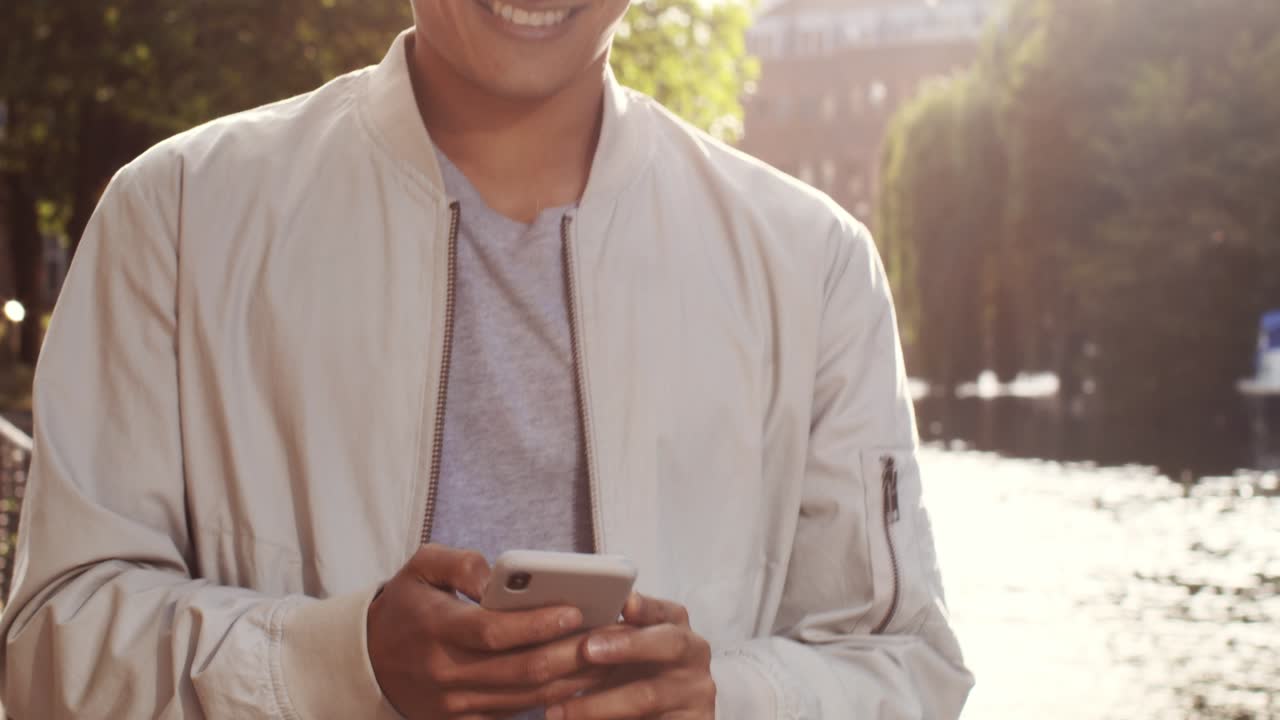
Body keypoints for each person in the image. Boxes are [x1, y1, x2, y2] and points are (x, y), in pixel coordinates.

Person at [0, 1, 973, 717]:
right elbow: (49, 653)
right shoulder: (173, 217)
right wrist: (344, 666)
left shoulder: (814, 264)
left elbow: (905, 671)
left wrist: (721, 699)